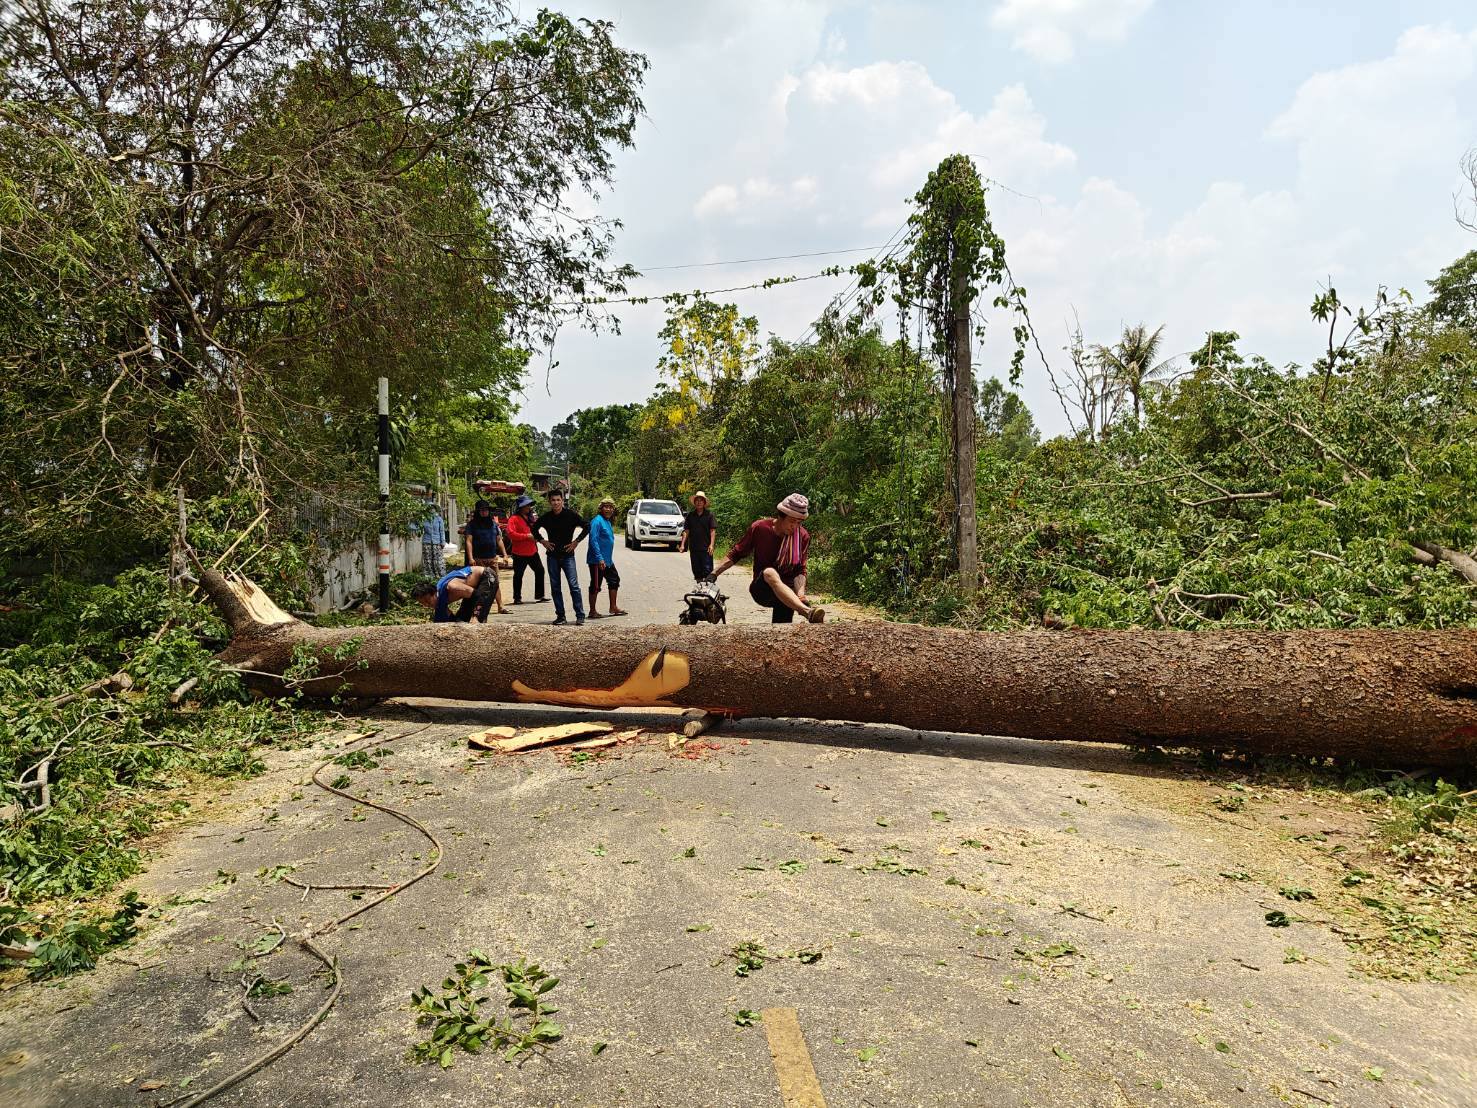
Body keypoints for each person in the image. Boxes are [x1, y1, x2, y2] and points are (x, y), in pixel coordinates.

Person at [709, 492, 824, 624]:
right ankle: (807, 612)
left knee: (781, 631)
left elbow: (800, 570)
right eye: (792, 521)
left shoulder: (802, 536)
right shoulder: (760, 528)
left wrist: (801, 596)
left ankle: (802, 612)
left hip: (787, 594)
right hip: (763, 589)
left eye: (799, 523)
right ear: (781, 516)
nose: (795, 527)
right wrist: (714, 573)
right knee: (769, 572)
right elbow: (737, 553)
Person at [533, 489, 588, 625]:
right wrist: (542, 541)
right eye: (553, 500)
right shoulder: (546, 517)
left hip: (568, 556)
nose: (556, 502)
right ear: (549, 502)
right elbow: (534, 528)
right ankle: (561, 616)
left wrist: (576, 542)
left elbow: (587, 526)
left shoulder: (571, 515)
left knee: (574, 586)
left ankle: (580, 615)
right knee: (555, 587)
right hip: (552, 557)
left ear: (562, 501)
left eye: (558, 500)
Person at [460, 499, 508, 615]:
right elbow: (469, 541)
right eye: (482, 510)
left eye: (486, 510)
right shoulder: (472, 525)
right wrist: (470, 558)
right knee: (479, 585)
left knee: (495, 582)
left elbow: (499, 540)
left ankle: (500, 606)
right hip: (477, 560)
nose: (484, 512)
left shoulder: (493, 524)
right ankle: (476, 609)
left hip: (492, 558)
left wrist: (505, 554)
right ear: (478, 512)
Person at [585, 497, 627, 619]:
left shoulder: (607, 521)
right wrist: (599, 558)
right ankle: (592, 611)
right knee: (596, 585)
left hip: (607, 560)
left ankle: (613, 607)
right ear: (601, 508)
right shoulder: (597, 521)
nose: (608, 509)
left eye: (610, 507)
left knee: (614, 580)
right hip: (597, 560)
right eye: (606, 507)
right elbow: (593, 540)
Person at [412, 564, 498, 623]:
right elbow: (447, 618)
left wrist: (475, 616)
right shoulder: (438, 601)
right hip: (471, 591)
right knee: (462, 619)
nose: (427, 605)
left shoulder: (452, 587)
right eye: (422, 603)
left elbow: (478, 595)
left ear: (434, 593)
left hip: (486, 577)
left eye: (427, 601)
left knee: (476, 619)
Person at [505, 495, 547, 605]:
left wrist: (537, 538)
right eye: (526, 505)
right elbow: (511, 534)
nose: (529, 507)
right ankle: (517, 598)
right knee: (518, 575)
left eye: (529, 505)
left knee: (540, 571)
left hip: (532, 551)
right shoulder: (513, 519)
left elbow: (535, 531)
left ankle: (540, 595)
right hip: (519, 553)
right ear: (521, 507)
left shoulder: (531, 518)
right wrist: (526, 536)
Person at [679, 490, 716, 582]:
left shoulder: (709, 515)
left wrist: (711, 545)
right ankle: (699, 586)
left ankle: (708, 588)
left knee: (707, 569)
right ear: (694, 502)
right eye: (697, 500)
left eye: (701, 500)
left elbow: (713, 531)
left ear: (704, 503)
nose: (699, 502)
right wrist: (683, 544)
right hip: (694, 547)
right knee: (696, 570)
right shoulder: (690, 516)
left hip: (706, 548)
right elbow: (686, 531)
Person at [411, 494, 447, 578]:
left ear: (435, 509)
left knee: (438, 559)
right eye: (429, 508)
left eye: (432, 508)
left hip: (437, 542)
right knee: (427, 559)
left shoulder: (439, 519)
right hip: (426, 541)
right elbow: (416, 526)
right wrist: (412, 520)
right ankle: (429, 575)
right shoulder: (423, 519)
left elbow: (442, 531)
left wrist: (443, 541)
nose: (431, 509)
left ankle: (440, 575)